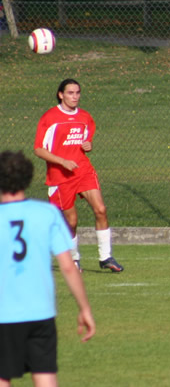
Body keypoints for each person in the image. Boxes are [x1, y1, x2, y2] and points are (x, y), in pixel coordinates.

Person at [0, 150, 96, 387]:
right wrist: (84, 308)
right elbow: (68, 267)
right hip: (41, 313)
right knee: (45, 378)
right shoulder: (47, 213)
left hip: (4, 314)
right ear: (28, 178)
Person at [33, 79, 124, 273]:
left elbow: (86, 139)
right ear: (61, 95)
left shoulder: (85, 117)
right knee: (71, 222)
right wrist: (62, 161)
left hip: (83, 170)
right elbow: (39, 149)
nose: (75, 97)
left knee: (100, 209)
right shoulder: (50, 118)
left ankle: (105, 256)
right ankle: (74, 259)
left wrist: (88, 145)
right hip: (60, 176)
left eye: (77, 93)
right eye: (70, 93)